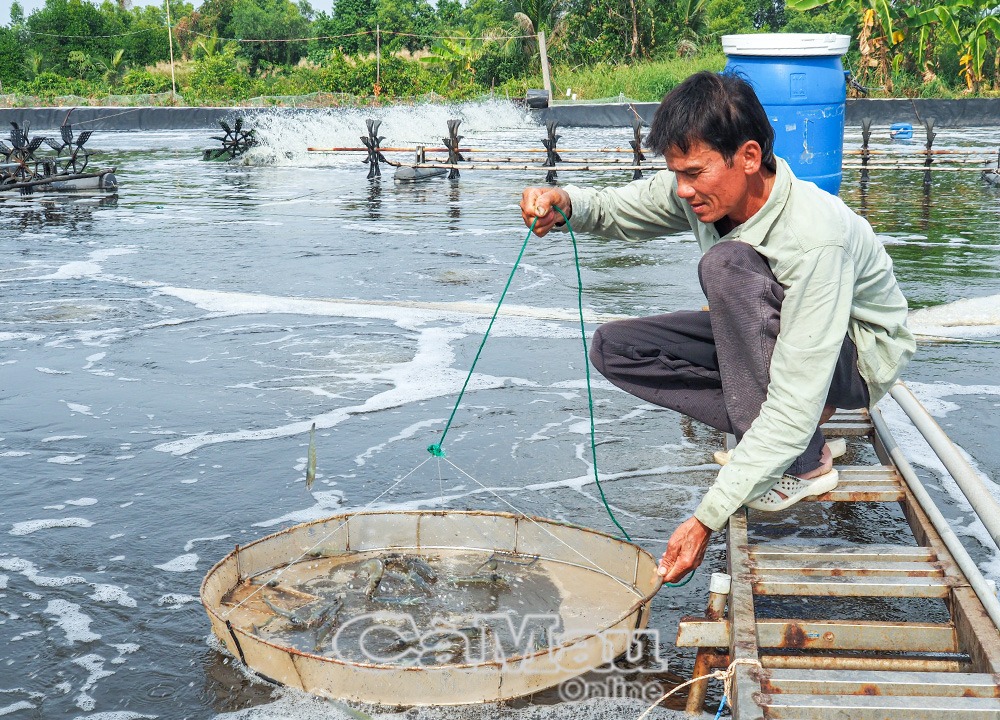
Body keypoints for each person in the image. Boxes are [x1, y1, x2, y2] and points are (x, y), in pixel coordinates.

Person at [518, 71, 915, 584]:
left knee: (726, 266)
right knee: (615, 348)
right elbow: (622, 207)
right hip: (777, 328)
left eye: (694, 173)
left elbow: (795, 394)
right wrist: (566, 203)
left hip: (854, 356)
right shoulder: (703, 192)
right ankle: (787, 440)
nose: (683, 190)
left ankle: (802, 462)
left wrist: (708, 516)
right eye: (675, 174)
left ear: (748, 157)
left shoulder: (815, 237)